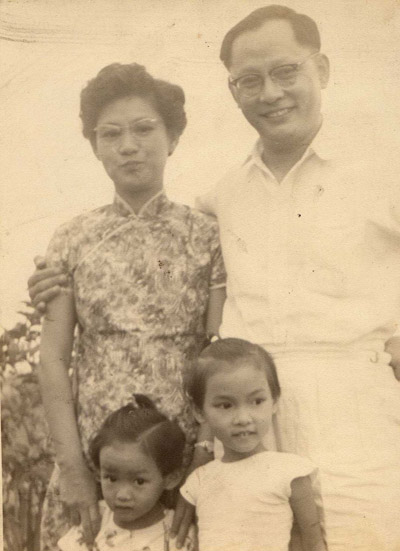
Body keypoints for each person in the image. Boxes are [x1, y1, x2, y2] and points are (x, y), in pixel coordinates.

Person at [29, 5, 400, 550]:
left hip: (348, 412)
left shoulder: (380, 169)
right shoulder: (223, 198)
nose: (270, 93)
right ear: (233, 92)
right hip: (243, 429)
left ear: (320, 69)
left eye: (286, 72)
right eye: (249, 80)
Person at [37, 62, 226, 551]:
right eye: (110, 134)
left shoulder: (206, 235)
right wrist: (75, 469)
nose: (128, 145)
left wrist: (203, 456)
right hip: (100, 458)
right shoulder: (74, 239)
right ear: (96, 146)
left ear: (172, 137)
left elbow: (217, 348)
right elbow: (54, 360)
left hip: (183, 449)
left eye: (144, 129)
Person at [181, 338, 326, 551]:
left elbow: (313, 542)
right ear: (200, 412)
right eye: (226, 405)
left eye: (257, 401)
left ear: (274, 401)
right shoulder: (199, 481)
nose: (243, 418)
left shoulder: (290, 472)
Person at [58, 394, 195, 551]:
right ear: (98, 472)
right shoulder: (93, 523)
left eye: (139, 481)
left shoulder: (179, 534)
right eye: (111, 478)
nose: (122, 495)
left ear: (170, 478)